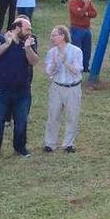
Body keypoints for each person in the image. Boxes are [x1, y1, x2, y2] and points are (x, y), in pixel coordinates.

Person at [0, 17, 39, 161]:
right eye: (27, 29)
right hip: (0, 90)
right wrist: (8, 44)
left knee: (21, 121)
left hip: (22, 91)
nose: (30, 32)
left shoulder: (30, 41)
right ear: (17, 28)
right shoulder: (0, 39)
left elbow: (34, 61)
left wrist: (28, 48)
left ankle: (20, 147)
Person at [43, 25, 83, 153]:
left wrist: (65, 62)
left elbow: (77, 70)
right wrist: (55, 63)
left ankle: (68, 144)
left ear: (63, 36)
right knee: (53, 115)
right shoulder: (52, 52)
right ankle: (50, 143)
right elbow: (49, 72)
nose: (52, 38)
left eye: (54, 35)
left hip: (72, 88)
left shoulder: (76, 51)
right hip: (57, 87)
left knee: (72, 116)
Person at [68, 0, 97, 71]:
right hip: (76, 29)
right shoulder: (73, 1)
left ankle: (85, 67)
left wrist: (86, 13)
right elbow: (79, 14)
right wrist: (86, 7)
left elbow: (94, 13)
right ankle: (76, 67)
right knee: (77, 49)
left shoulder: (87, 0)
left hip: (87, 29)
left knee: (87, 49)